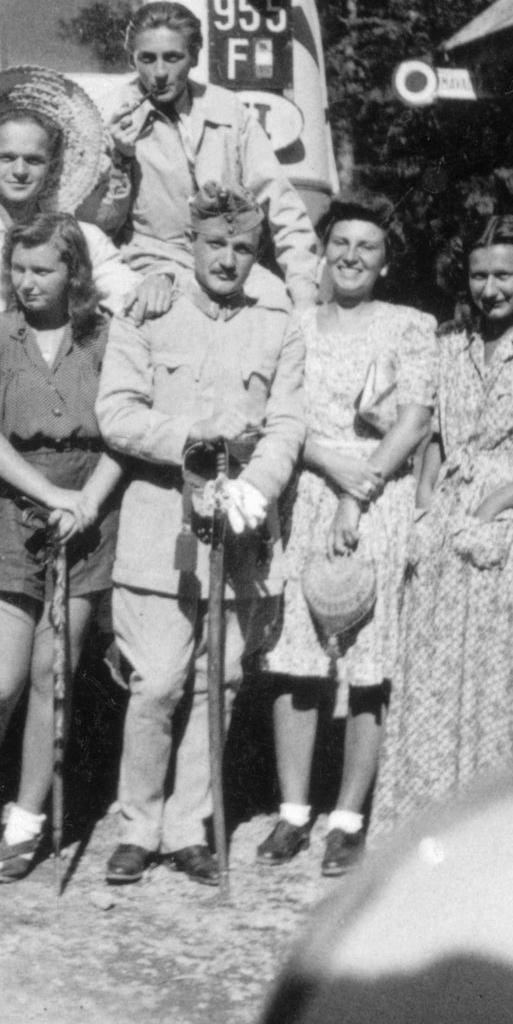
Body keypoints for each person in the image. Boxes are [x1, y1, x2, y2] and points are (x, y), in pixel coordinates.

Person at [96, 184, 306, 886]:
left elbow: (287, 422)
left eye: (243, 247)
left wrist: (257, 485)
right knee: (157, 682)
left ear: (258, 252)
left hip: (240, 534)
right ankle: (138, 828)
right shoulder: (147, 313)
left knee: (221, 679)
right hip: (161, 529)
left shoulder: (277, 323)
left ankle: (190, 829)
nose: (227, 258)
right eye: (215, 244)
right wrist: (192, 438)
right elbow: (117, 414)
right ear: (191, 244)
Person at [375, 214, 513, 826]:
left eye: (504, 274)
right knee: (429, 677)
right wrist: (423, 500)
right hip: (444, 528)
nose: (489, 289)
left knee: (500, 682)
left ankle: (499, 826)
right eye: (478, 275)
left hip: (508, 532)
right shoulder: (449, 342)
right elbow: (437, 434)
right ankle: (421, 820)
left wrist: (498, 502)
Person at [0, 71, 141, 701]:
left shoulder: (79, 234)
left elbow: (123, 293)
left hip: (41, 397)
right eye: (7, 158)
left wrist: (151, 287)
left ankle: (105, 625)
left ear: (52, 168)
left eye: (34, 160)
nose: (20, 170)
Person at [0, 213, 126, 882]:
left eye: (42, 269)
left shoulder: (106, 338)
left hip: (88, 521)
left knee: (53, 683)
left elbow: (124, 435)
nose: (27, 282)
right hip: (14, 513)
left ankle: (25, 826)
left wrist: (88, 503)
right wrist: (51, 497)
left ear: (73, 272)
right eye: (18, 268)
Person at [257, 192, 436, 878]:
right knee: (295, 658)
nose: (352, 257)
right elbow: (283, 412)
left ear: (386, 262)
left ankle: (348, 817)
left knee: (367, 663)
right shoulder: (297, 322)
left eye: (367, 247)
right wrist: (324, 464)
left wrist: (357, 496)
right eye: (341, 245)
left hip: (378, 497)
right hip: (305, 491)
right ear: (324, 253)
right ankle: (294, 811)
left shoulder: (409, 327)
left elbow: (414, 420)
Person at [79, 0, 321, 315]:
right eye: (148, 59)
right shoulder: (107, 115)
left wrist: (303, 294)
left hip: (229, 263)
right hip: (151, 268)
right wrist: (119, 159)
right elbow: (97, 225)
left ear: (194, 56)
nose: (161, 73)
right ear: (131, 59)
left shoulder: (229, 110)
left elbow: (281, 203)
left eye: (173, 58)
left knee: (278, 310)